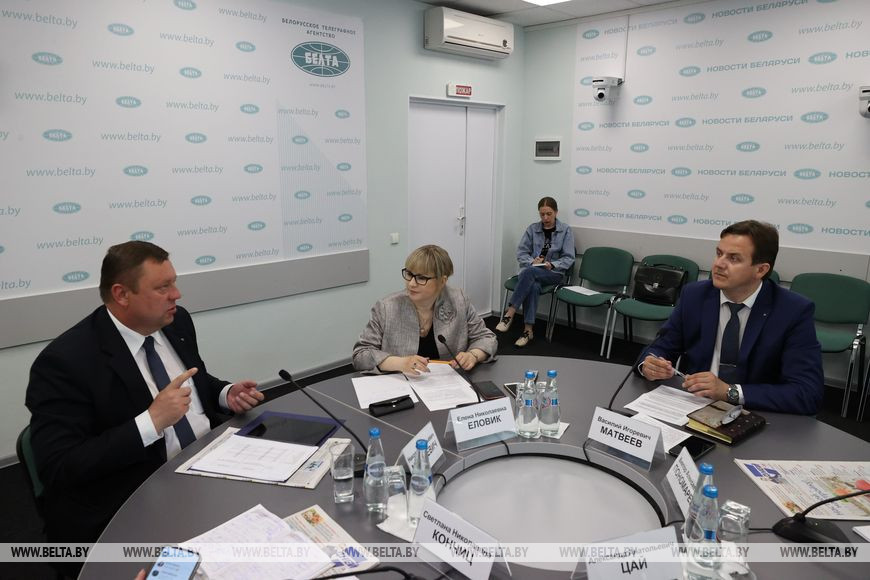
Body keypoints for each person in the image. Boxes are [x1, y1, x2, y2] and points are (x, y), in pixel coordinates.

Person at [25, 241, 264, 552]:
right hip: (134, 494)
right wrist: (150, 423)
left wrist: (224, 393)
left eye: (174, 283)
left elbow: (190, 379)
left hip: (209, 461)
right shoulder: (65, 362)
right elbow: (59, 466)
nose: (176, 294)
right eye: (163, 287)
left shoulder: (176, 321)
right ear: (122, 294)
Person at [636, 220, 824, 415]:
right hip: (693, 406)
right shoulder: (695, 295)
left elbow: (807, 393)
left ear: (761, 270)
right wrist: (649, 364)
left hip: (755, 413)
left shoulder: (793, 311)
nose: (719, 264)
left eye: (733, 259)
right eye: (719, 254)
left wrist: (729, 392)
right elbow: (661, 347)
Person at [353, 245, 496, 374]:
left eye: (421, 278)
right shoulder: (387, 307)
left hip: (448, 383)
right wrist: (400, 363)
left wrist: (473, 355)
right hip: (399, 384)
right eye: (409, 274)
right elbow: (360, 355)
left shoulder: (459, 300)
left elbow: (486, 338)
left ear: (442, 281)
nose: (411, 283)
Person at [496, 196, 575, 347]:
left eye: (549, 214)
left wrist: (552, 264)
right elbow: (521, 252)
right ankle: (528, 331)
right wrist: (532, 261)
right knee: (533, 285)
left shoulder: (565, 230)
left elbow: (569, 257)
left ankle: (509, 313)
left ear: (556, 212)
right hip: (534, 271)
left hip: (554, 273)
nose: (545, 218)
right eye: (542, 214)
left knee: (528, 273)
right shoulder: (532, 229)